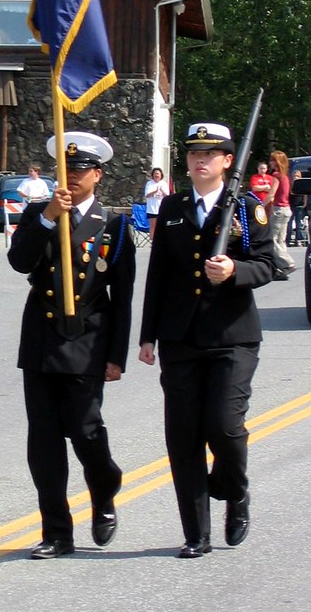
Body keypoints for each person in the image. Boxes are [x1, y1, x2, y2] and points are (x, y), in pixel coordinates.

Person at [138, 122, 276, 559]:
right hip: (180, 338)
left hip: (231, 337)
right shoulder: (175, 207)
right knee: (183, 437)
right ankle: (196, 533)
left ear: (227, 161)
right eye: (194, 152)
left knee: (224, 427)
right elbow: (158, 275)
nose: (200, 160)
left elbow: (269, 265)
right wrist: (147, 337)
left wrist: (236, 272)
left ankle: (234, 491)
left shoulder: (247, 208)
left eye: (210, 154)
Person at [8, 132, 136, 559]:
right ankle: (57, 532)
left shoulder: (113, 225)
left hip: (88, 341)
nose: (73, 177)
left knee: (84, 431)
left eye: (81, 169)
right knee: (43, 443)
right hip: (43, 340)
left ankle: (104, 487)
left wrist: (117, 356)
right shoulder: (37, 214)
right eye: (66, 170)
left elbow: (122, 296)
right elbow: (20, 261)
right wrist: (46, 217)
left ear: (98, 175)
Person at [269, 150, 295, 275]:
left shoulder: (277, 175)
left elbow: (272, 193)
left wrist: (261, 204)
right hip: (286, 209)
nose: (270, 162)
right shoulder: (285, 175)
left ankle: (287, 263)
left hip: (278, 209)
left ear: (277, 162)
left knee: (271, 239)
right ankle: (281, 267)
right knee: (280, 240)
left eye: (273, 160)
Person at [144, 167, 170, 239]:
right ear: (153, 175)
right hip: (152, 209)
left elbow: (167, 196)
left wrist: (161, 190)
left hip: (162, 209)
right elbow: (147, 195)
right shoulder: (149, 183)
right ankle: (153, 243)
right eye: (155, 174)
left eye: (158, 174)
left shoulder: (164, 184)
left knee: (162, 227)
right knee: (153, 227)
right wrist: (155, 191)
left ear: (161, 175)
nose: (157, 175)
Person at [286, 170, 307, 247]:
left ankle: (298, 241)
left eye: (297, 176)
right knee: (289, 225)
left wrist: (304, 203)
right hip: (291, 206)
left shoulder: (301, 184)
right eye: (294, 176)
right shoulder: (290, 185)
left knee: (298, 225)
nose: (296, 177)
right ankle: (287, 241)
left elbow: (305, 194)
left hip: (299, 206)